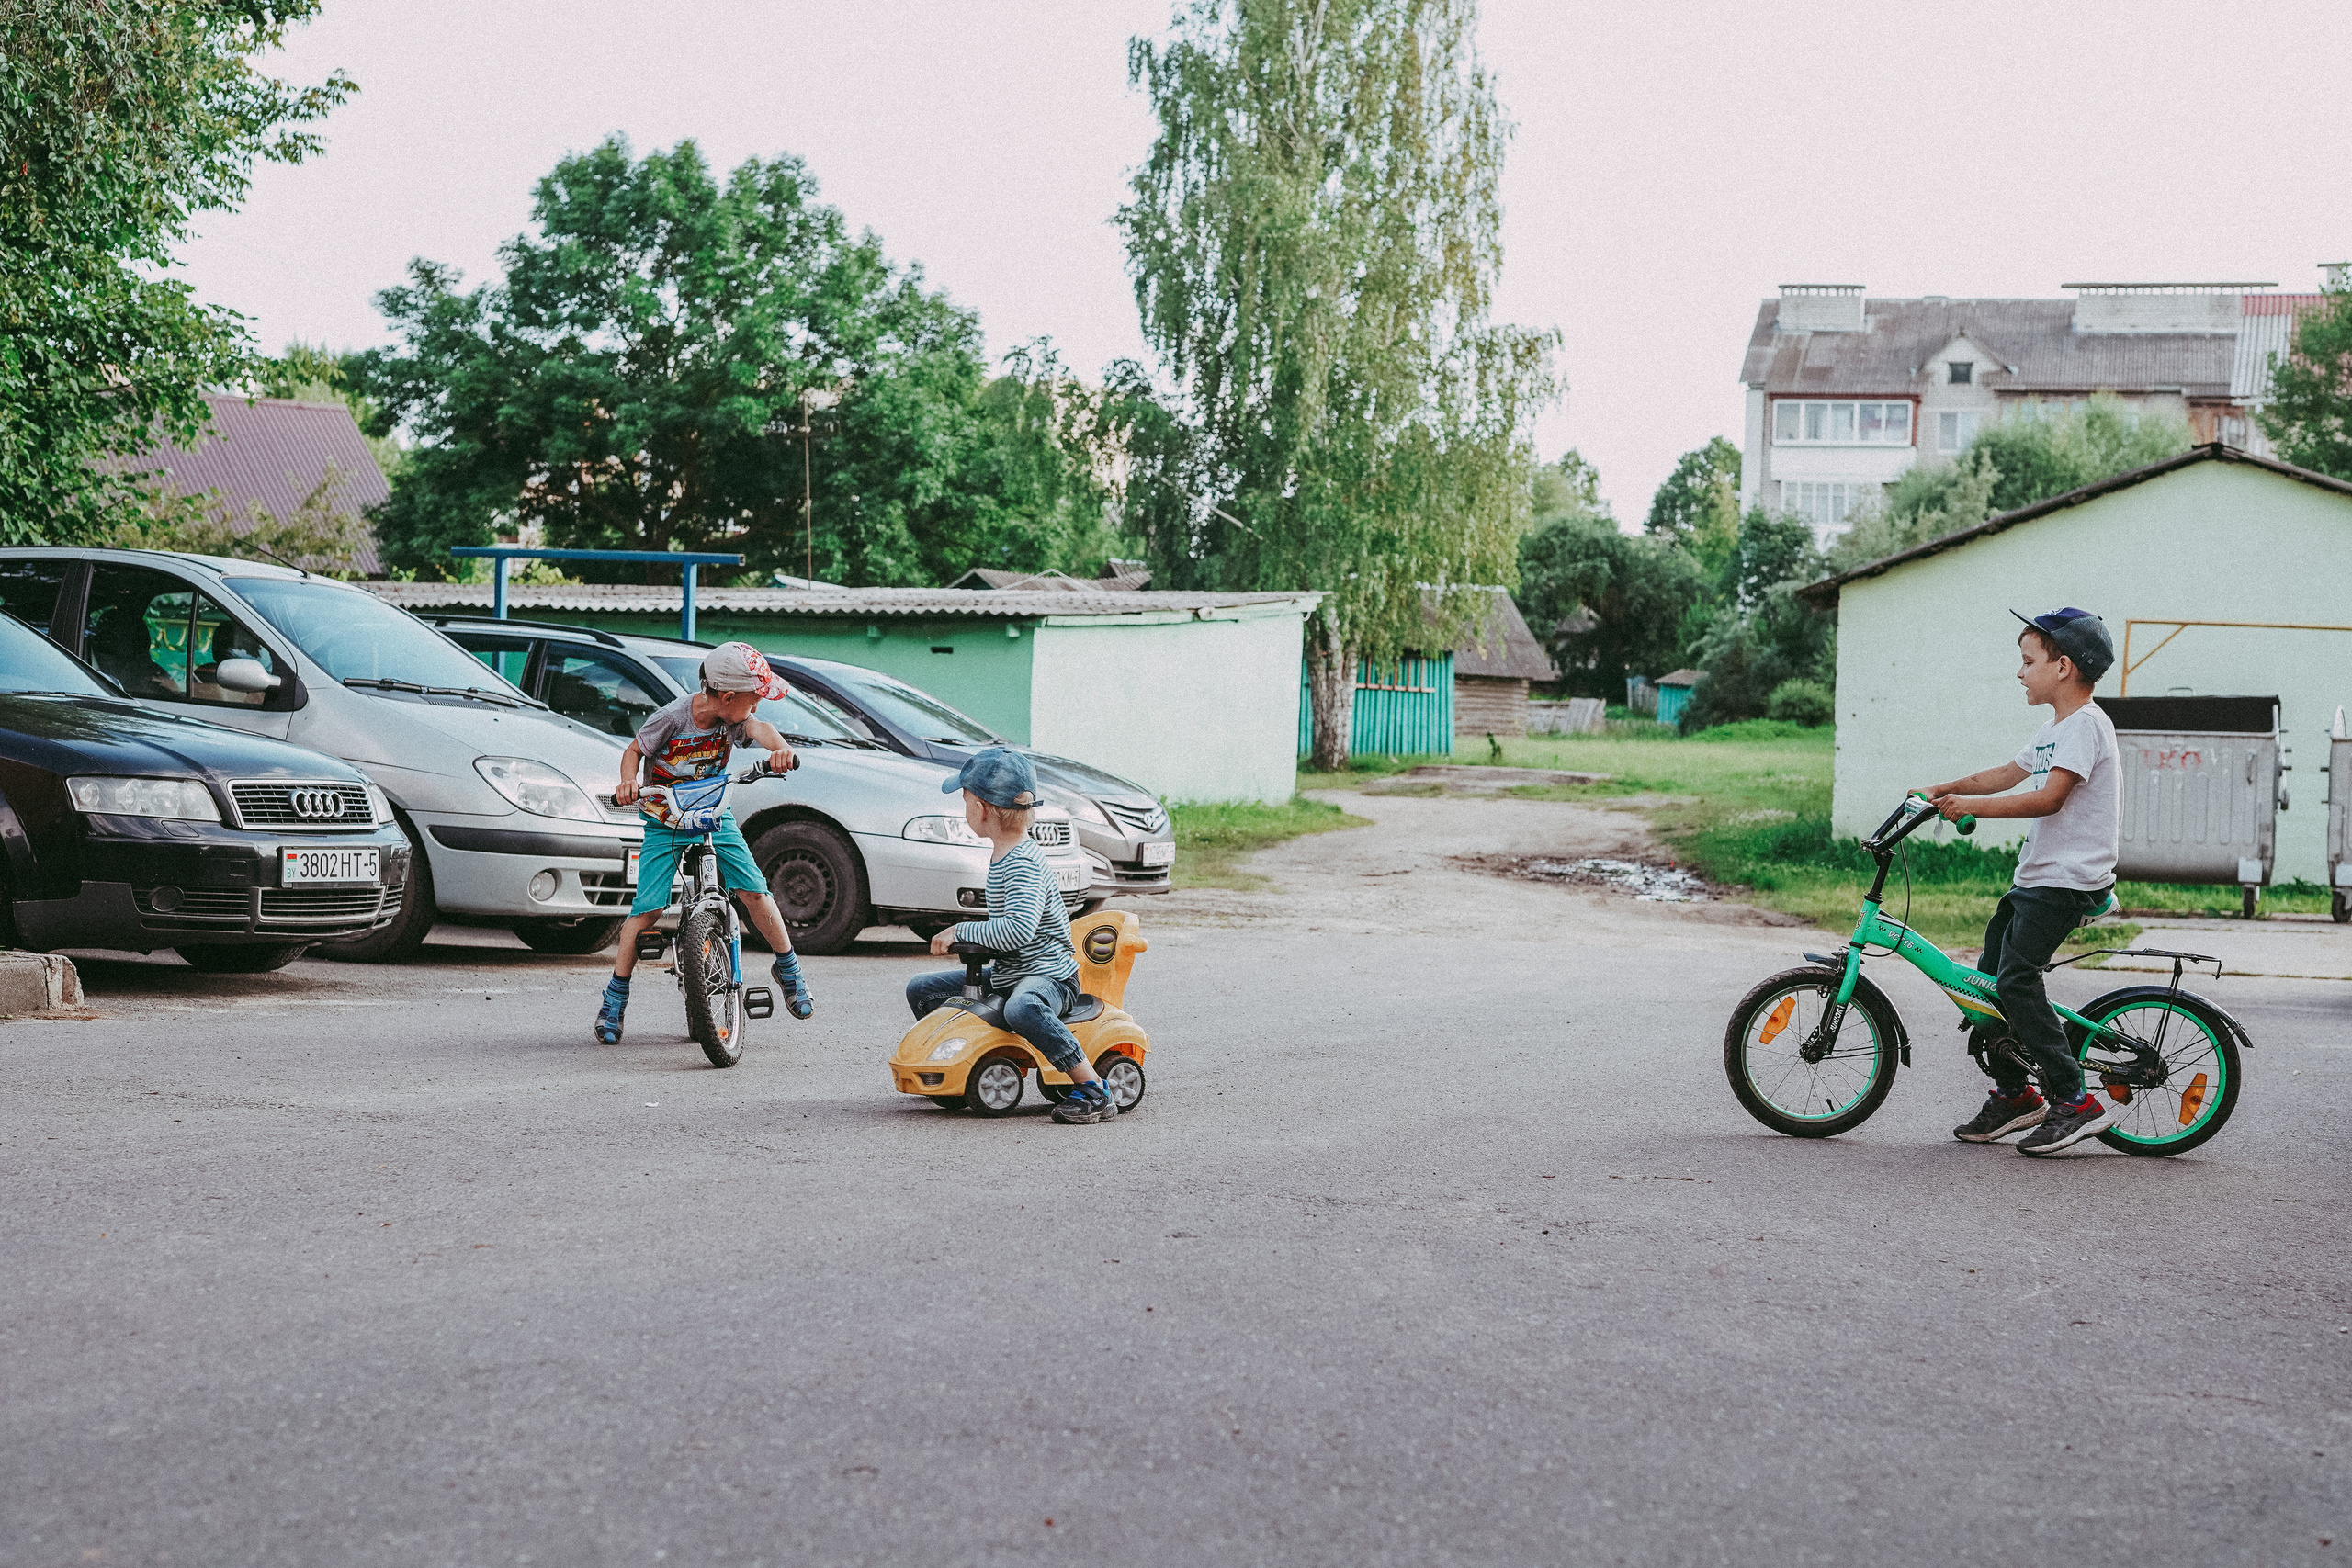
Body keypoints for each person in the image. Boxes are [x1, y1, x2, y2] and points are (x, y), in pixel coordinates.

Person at [1920, 607, 2120, 1156]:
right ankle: (2016, 1094)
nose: (2019, 673)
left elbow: (2049, 797)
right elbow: (2008, 774)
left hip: (2068, 882)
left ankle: (2076, 1099)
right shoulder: (2055, 729)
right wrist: (1944, 788)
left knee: (2016, 981)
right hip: (2036, 880)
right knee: (1986, 981)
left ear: (2062, 667)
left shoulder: (2087, 726)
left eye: (2027, 661)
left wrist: (1974, 807)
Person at [593, 642, 813, 1044]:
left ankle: (788, 966)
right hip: (665, 817)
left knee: (754, 891)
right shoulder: (672, 719)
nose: (757, 707)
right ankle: (616, 995)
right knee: (648, 909)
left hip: (713, 813)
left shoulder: (735, 719)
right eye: (754, 699)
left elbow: (759, 730)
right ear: (728, 697)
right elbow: (634, 750)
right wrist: (630, 783)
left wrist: (780, 750)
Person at [904, 748, 1115, 1125]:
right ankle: (960, 1063)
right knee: (923, 989)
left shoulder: (1022, 862)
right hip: (1011, 972)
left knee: (1022, 1007)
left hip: (1050, 976)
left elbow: (1017, 930)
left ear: (982, 809)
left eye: (965, 800)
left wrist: (961, 931)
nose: (964, 809)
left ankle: (1093, 1088)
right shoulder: (1004, 854)